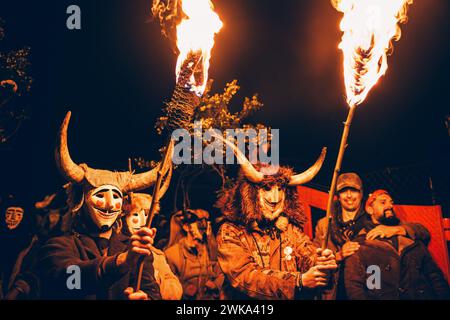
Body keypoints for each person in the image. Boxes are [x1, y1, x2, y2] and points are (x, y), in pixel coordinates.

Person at [35, 111, 171, 300]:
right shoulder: (58, 246)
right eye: (100, 195)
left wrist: (146, 298)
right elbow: (69, 280)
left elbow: (151, 291)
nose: (109, 204)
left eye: (116, 196)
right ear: (80, 201)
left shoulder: (135, 249)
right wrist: (122, 261)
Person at [215, 136, 336, 299]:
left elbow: (308, 254)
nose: (275, 198)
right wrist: (298, 281)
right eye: (266, 188)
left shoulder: (290, 231)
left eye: (281, 189)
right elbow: (244, 276)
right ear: (250, 194)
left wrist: (321, 264)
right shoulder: (230, 231)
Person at [314, 173, 430, 299]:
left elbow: (422, 232)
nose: (349, 195)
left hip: (369, 288)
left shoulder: (374, 216)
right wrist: (338, 255)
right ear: (338, 196)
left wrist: (397, 229)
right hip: (336, 291)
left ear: (361, 193)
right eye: (343, 191)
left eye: (353, 190)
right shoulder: (325, 224)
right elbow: (314, 259)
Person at [344, 189, 450, 300]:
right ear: (370, 209)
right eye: (383, 202)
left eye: (391, 202)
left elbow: (435, 277)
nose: (389, 206)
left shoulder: (411, 238)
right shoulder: (361, 244)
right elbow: (354, 287)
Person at [121, 192, 183, 300]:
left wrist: (155, 282)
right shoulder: (117, 249)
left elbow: (175, 290)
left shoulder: (157, 254)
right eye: (135, 214)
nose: (142, 221)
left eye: (146, 214)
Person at [165, 208, 224, 300]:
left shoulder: (211, 249)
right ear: (186, 227)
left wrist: (216, 284)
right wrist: (183, 288)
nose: (204, 226)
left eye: (206, 221)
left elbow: (221, 271)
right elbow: (167, 281)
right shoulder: (172, 254)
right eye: (199, 222)